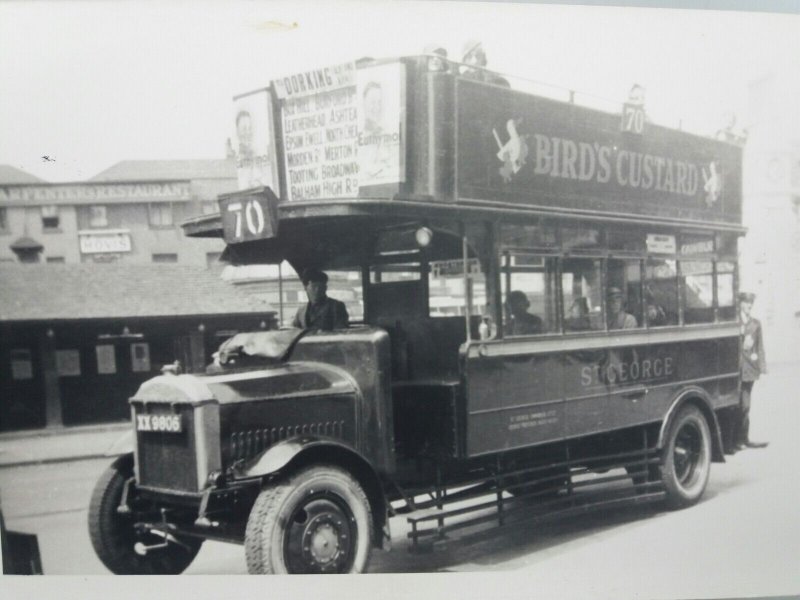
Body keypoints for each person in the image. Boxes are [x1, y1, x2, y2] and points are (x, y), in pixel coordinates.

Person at [735, 291, 768, 449]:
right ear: (740, 303)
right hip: (735, 369)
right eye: (747, 302)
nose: (749, 305)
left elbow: (760, 347)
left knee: (746, 405)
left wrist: (762, 369)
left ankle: (743, 439)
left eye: (751, 303)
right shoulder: (734, 322)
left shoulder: (755, 323)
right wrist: (741, 344)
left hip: (749, 370)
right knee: (738, 405)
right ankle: (736, 441)